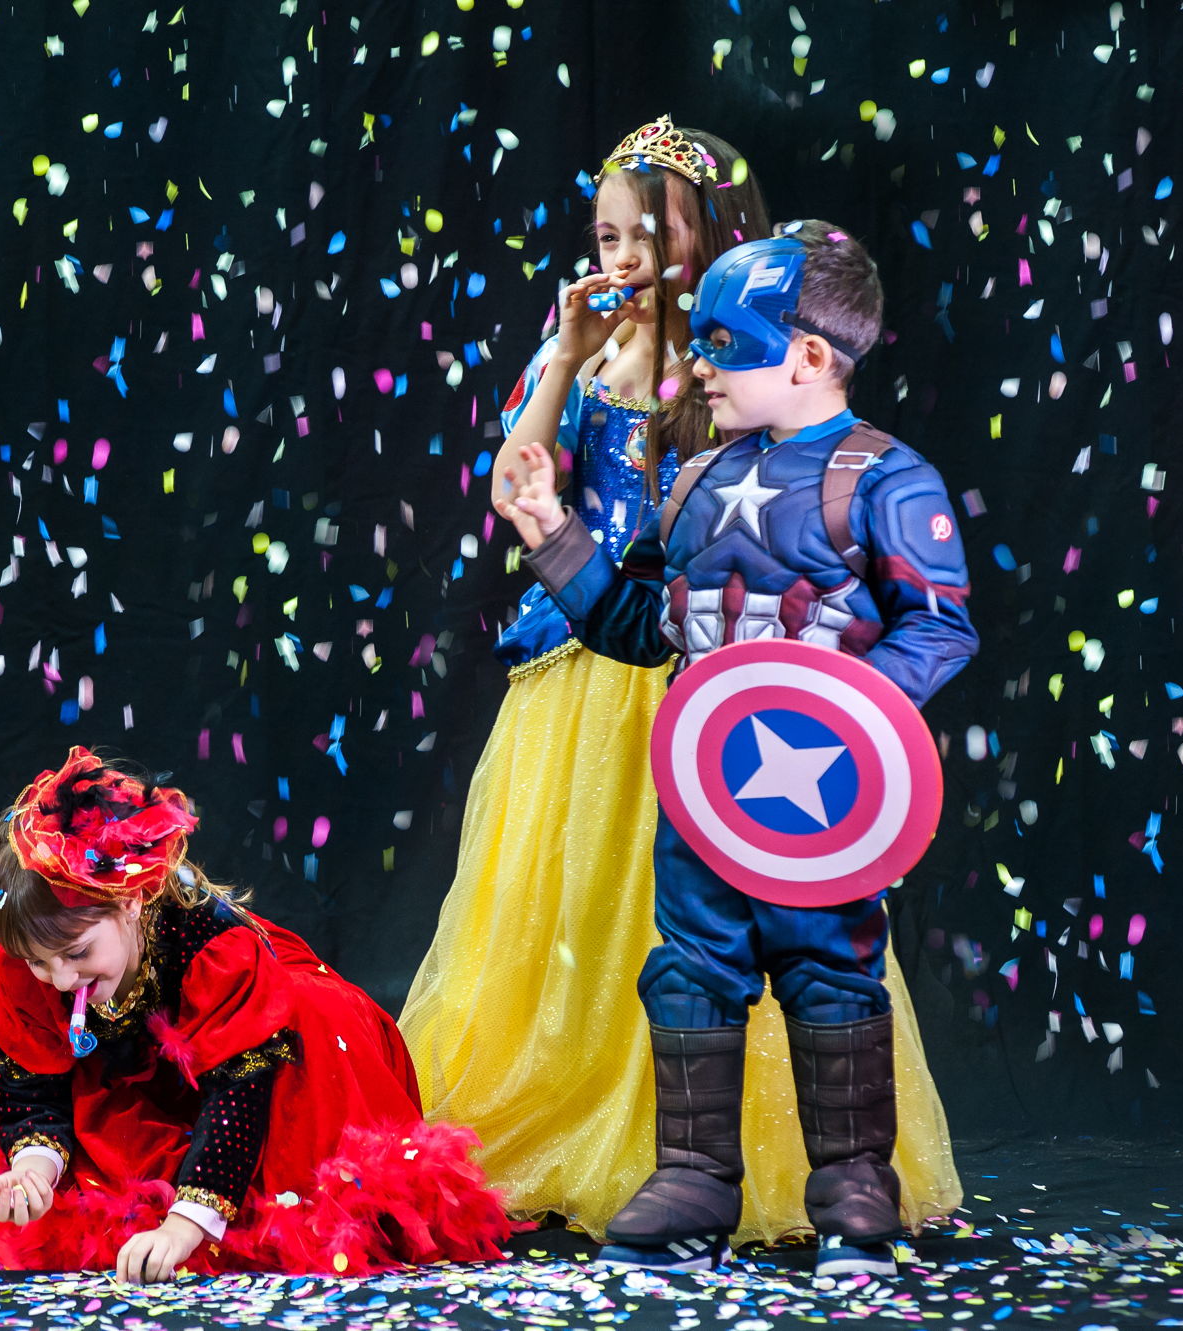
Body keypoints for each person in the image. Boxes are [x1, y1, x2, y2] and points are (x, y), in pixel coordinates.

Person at [399, 118, 962, 1248]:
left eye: (638, 235)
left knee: (822, 955)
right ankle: (690, 1174)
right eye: (600, 235)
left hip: (772, 734)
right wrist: (554, 524)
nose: (615, 257)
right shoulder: (682, 450)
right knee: (679, 950)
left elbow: (928, 622)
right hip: (651, 688)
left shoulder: (834, 452)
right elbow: (624, 596)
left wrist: (851, 708)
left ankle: (846, 1177)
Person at [0, 747, 511, 1281]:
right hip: (109, 1062)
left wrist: (184, 1226)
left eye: (76, 953)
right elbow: (31, 1084)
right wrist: (35, 1169)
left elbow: (236, 1091)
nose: (60, 979)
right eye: (42, 962)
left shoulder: (216, 950)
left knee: (313, 1018)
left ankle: (263, 1199)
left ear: (131, 901)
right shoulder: (37, 968)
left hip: (231, 1067)